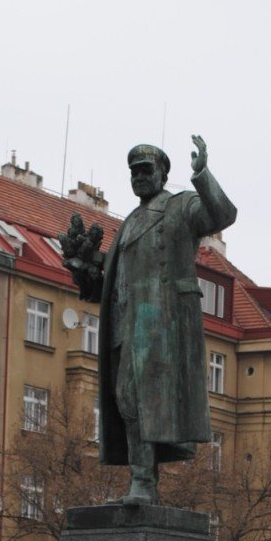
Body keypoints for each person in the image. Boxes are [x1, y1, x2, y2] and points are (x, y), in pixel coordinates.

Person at [60, 135, 237, 503]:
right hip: (127, 328)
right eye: (134, 172)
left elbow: (222, 215)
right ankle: (142, 482)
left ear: (162, 174)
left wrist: (202, 174)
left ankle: (143, 483)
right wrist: (85, 271)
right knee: (127, 400)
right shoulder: (128, 224)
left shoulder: (179, 206)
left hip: (162, 327)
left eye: (145, 170)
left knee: (144, 402)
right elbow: (112, 283)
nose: (139, 177)